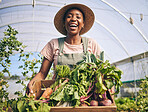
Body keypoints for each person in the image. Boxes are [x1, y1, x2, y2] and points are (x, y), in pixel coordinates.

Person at [26, 3, 101, 95]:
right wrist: (32, 82)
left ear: (83, 24)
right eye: (69, 16)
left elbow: (100, 72)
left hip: (85, 94)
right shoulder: (54, 44)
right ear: (64, 23)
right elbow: (42, 73)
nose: (73, 19)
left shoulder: (91, 44)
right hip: (57, 92)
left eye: (78, 17)